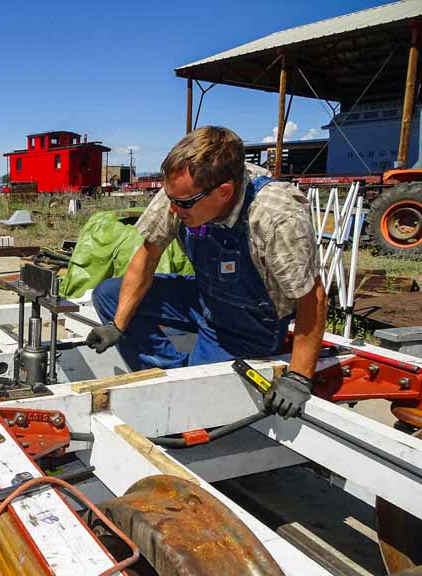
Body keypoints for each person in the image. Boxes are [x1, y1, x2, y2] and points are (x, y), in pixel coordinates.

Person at [87, 126, 327, 420]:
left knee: (189, 406)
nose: (173, 209)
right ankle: (168, 374)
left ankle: (182, 385)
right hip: (205, 297)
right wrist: (118, 325)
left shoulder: (276, 218)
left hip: (250, 323)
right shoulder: (184, 191)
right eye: (170, 198)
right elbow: (146, 258)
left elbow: (311, 298)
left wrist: (299, 376)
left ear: (224, 192)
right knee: (109, 295)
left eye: (183, 203)